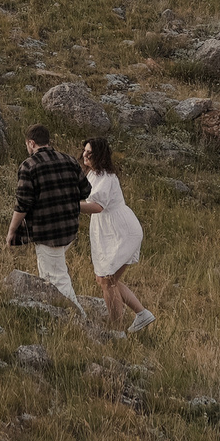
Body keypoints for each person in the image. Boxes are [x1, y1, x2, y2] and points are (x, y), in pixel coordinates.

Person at [4, 123, 89, 307]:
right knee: (53, 271)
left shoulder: (29, 166)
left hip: (48, 232)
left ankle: (79, 320)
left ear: (31, 143)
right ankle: (55, 314)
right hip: (69, 228)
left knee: (55, 279)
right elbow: (85, 190)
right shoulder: (69, 160)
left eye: (27, 144)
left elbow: (23, 203)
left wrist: (12, 231)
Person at [79, 138, 153, 333]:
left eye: (90, 153)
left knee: (107, 281)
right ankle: (142, 314)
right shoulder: (93, 174)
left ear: (100, 156)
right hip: (109, 229)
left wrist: (70, 206)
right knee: (104, 279)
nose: (85, 155)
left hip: (122, 230)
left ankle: (117, 331)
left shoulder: (107, 178)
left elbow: (97, 206)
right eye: (84, 151)